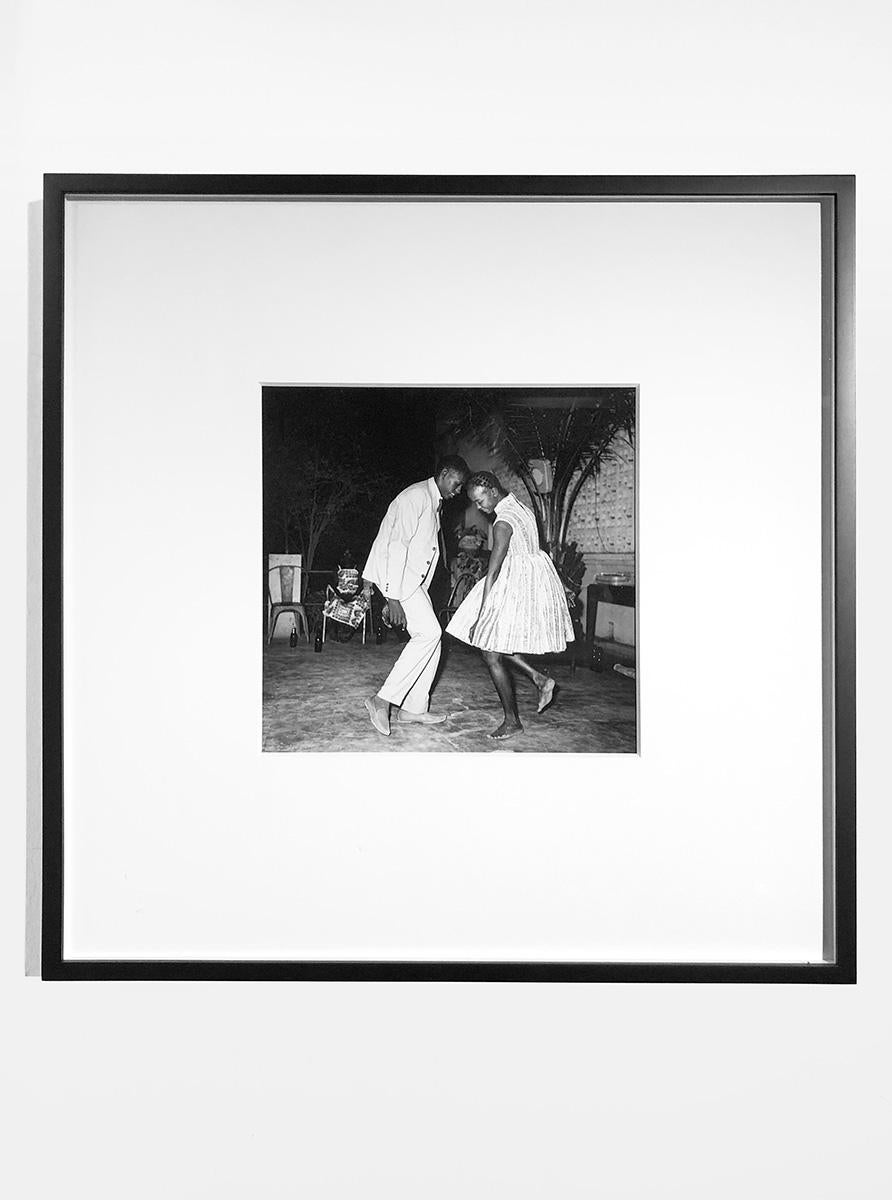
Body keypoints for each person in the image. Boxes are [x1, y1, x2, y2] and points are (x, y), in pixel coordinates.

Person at [446, 471, 574, 740]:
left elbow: (492, 573)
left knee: (490, 651)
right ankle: (539, 679)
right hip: (532, 580)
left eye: (480, 501)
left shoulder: (503, 522)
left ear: (493, 490)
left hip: (515, 586)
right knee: (495, 647)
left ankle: (512, 720)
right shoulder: (520, 505)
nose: (480, 508)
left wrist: (481, 617)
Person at [362, 455, 470, 736]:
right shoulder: (416, 497)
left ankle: (414, 709)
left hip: (413, 583)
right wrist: (392, 597)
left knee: (433, 639)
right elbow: (395, 546)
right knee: (431, 634)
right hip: (402, 582)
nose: (457, 491)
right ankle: (381, 700)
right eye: (456, 484)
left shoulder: (431, 501)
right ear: (444, 474)